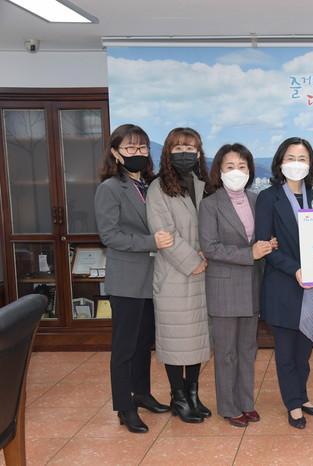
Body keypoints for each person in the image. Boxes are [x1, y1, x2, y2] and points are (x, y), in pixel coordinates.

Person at [95, 124, 172, 433]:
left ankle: (141, 394)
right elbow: (109, 235)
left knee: (143, 343)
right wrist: (151, 242)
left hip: (153, 279)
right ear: (116, 153)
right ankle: (124, 407)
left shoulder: (150, 185)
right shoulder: (110, 188)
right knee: (124, 347)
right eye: (130, 148)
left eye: (142, 147)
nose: (137, 153)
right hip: (127, 280)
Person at [255, 137, 313, 429]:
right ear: (280, 162)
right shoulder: (268, 198)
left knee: (304, 351)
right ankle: (293, 405)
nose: (296, 164)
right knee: (286, 352)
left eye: (302, 159)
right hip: (284, 285)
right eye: (291, 158)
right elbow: (265, 245)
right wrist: (296, 270)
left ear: (310, 164)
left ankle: (302, 397)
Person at [199, 143, 276, 427]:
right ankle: (229, 407)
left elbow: (262, 238)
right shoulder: (210, 204)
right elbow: (210, 247)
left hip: (253, 286)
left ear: (250, 170)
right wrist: (249, 254)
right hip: (224, 288)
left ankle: (246, 402)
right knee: (226, 353)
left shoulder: (257, 200)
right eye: (230, 166)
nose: (236, 171)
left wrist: (269, 244)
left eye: (242, 166)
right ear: (219, 171)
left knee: (247, 350)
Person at [146, 127, 212, 424]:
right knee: (175, 339)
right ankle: (179, 396)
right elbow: (164, 233)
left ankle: (193, 393)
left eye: (191, 148)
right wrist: (192, 261)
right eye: (179, 148)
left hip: (203, 272)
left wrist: (207, 255)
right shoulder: (157, 188)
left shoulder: (202, 184)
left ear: (198, 153)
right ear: (168, 153)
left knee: (197, 338)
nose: (185, 153)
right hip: (175, 274)